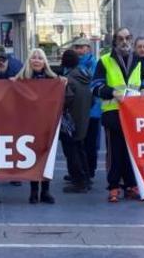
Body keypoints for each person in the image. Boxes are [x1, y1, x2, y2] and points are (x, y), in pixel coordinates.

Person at [92, 28, 144, 203]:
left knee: (131, 152)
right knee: (115, 152)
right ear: (115, 41)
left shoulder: (139, 60)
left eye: (127, 38)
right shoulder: (105, 61)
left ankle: (131, 185)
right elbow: (95, 86)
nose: (125, 42)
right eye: (121, 39)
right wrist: (112, 92)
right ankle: (114, 186)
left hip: (133, 113)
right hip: (113, 112)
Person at [14, 47, 62, 204]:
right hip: (29, 124)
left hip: (48, 123)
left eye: (40, 58)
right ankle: (34, 191)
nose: (36, 60)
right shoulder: (21, 79)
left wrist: (62, 83)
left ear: (44, 62)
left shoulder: (53, 79)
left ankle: (46, 191)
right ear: (29, 60)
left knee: (47, 157)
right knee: (32, 157)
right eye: (33, 57)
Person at [58, 49, 92, 193]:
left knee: (71, 152)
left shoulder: (68, 80)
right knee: (80, 149)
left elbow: (66, 100)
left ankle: (78, 181)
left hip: (70, 121)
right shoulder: (84, 76)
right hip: (83, 118)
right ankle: (86, 177)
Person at [72, 37, 101, 180]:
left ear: (88, 48)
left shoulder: (94, 64)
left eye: (82, 47)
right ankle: (79, 171)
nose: (79, 50)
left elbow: (95, 85)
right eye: (77, 47)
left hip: (92, 111)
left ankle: (89, 171)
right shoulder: (72, 65)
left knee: (90, 144)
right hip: (77, 111)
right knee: (78, 143)